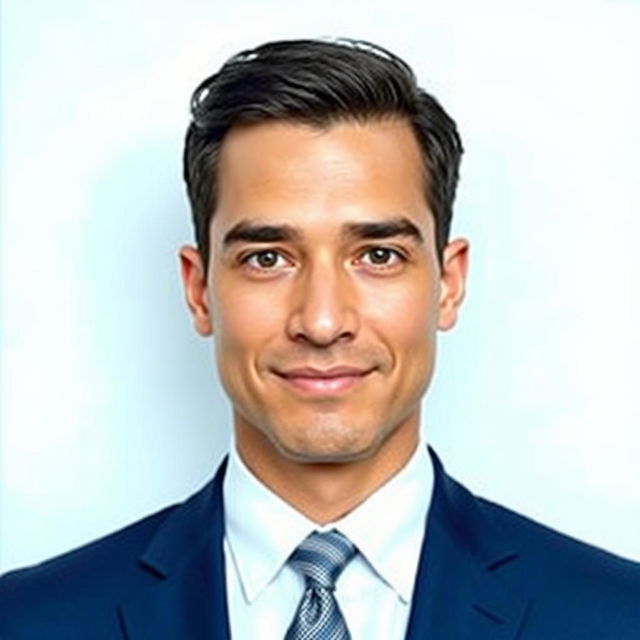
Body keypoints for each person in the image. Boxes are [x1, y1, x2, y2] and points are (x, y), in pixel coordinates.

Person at [1, 37, 638, 640]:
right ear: (199, 290)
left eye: (379, 255)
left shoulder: (617, 617)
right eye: (268, 258)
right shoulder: (28, 621)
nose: (324, 321)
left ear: (448, 284)